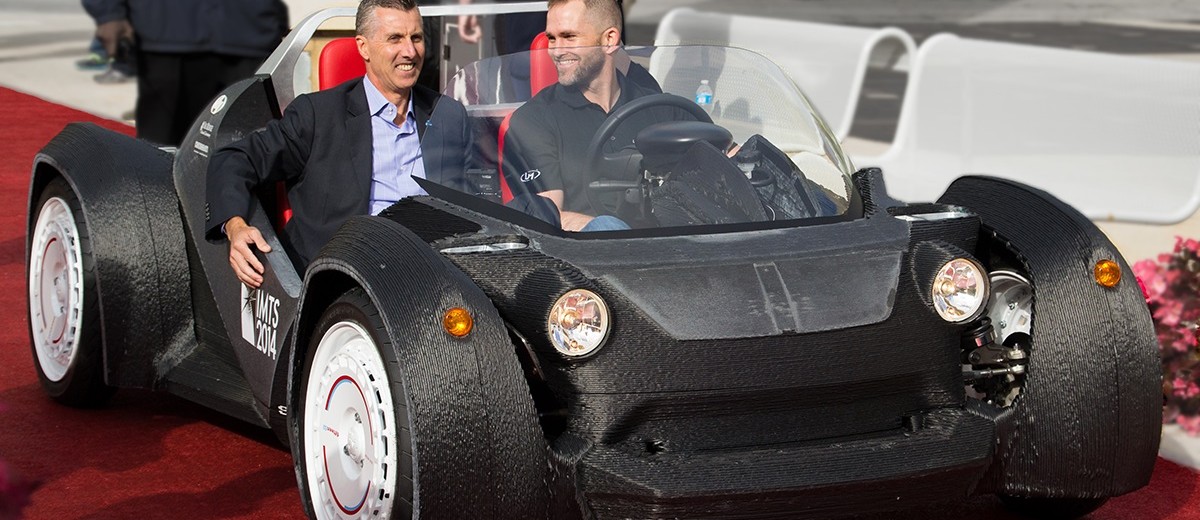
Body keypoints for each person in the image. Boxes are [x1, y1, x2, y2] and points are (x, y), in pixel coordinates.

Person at [206, 0, 475, 288]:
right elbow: (234, 159)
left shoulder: (448, 115)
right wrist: (235, 225)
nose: (410, 51)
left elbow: (473, 202)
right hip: (345, 279)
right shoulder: (318, 116)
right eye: (395, 38)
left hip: (434, 273)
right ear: (363, 47)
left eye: (416, 38)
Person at [500, 0, 682, 232]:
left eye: (569, 37)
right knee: (607, 226)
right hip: (589, 249)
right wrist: (617, 233)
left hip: (674, 244)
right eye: (552, 39)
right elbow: (546, 219)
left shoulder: (660, 107)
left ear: (609, 40)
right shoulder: (532, 120)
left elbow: (718, 167)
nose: (556, 51)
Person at [83, 0, 289, 146]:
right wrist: (108, 13)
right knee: (159, 151)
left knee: (245, 147)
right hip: (166, 33)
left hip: (248, 31)